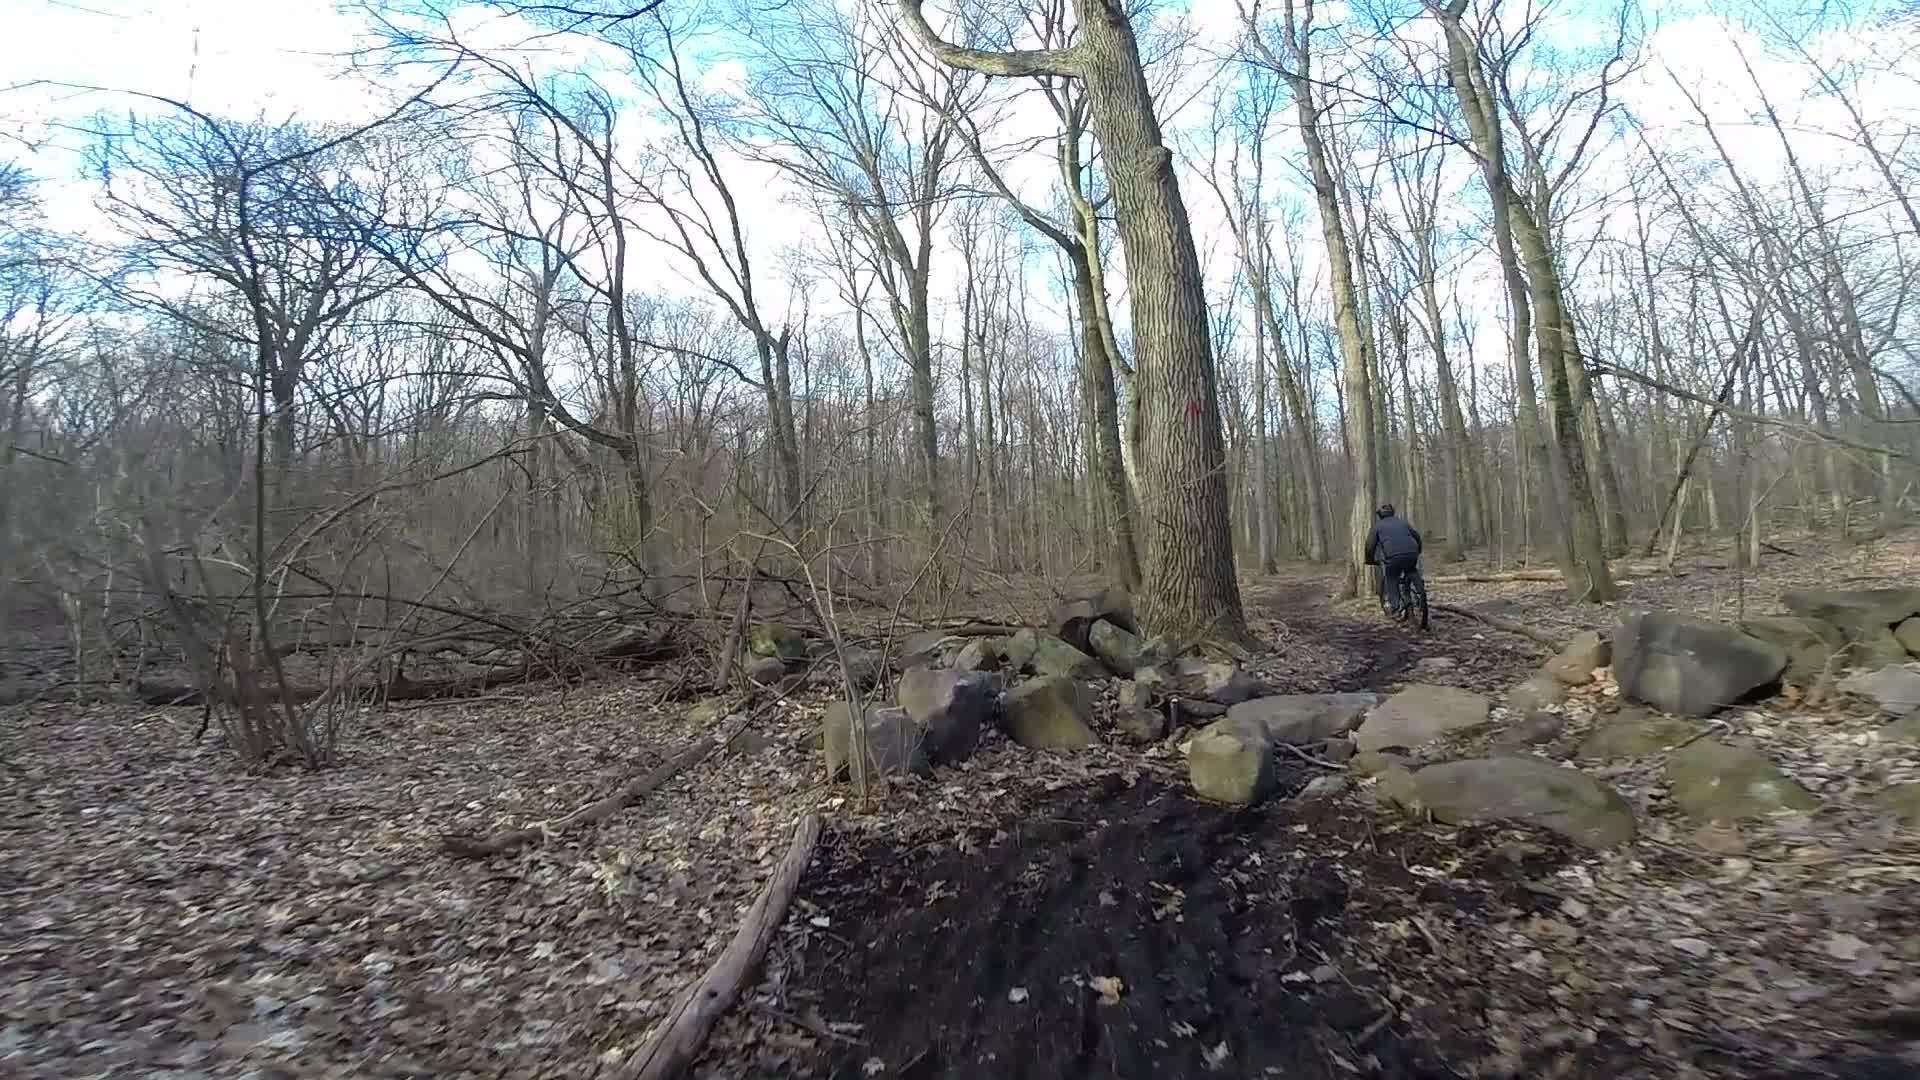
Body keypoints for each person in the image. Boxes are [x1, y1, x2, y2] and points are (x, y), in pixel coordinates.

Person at [1364, 503, 1423, 615]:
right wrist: (1418, 550)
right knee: (1411, 570)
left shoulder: (1378, 526)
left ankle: (1395, 606)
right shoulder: (1403, 523)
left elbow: (1369, 545)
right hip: (1412, 554)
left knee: (1391, 577)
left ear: (1380, 515)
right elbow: (1417, 537)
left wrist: (1369, 560)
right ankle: (1420, 594)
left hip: (1393, 557)